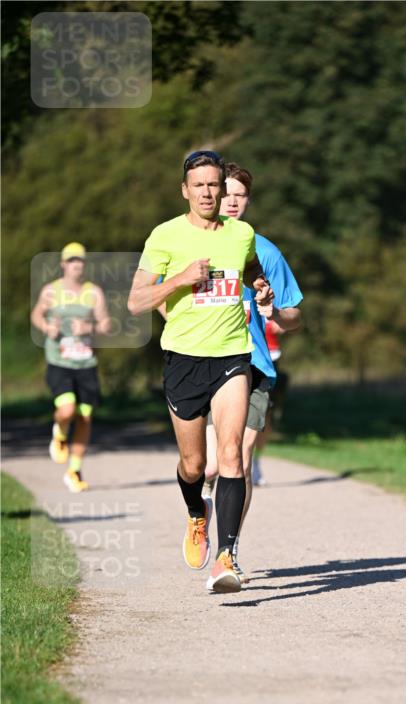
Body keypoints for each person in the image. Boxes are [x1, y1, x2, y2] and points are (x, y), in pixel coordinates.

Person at [127, 150, 273, 595]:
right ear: (185, 190)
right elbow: (135, 302)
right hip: (184, 360)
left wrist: (259, 284)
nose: (209, 193)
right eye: (200, 185)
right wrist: (180, 280)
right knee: (195, 465)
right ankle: (196, 515)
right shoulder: (165, 236)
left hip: (232, 356)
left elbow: (250, 268)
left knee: (231, 456)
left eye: (215, 185)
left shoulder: (240, 233)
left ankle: (227, 558)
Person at [201, 162, 303, 582]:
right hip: (207, 362)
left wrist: (275, 312)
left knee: (238, 461)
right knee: (207, 467)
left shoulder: (266, 251)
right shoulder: (196, 245)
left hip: (255, 367)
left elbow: (295, 314)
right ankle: (199, 506)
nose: (233, 200)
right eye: (226, 193)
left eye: (241, 194)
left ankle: (228, 551)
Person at [31, 242, 112, 493]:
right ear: (63, 264)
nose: (76, 265)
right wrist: (46, 328)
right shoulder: (51, 291)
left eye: (80, 261)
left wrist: (89, 328)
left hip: (86, 362)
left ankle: (74, 470)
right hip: (60, 361)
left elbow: (107, 325)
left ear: (84, 265)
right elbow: (36, 315)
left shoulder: (93, 292)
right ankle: (60, 432)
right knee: (67, 410)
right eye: (72, 261)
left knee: (85, 417)